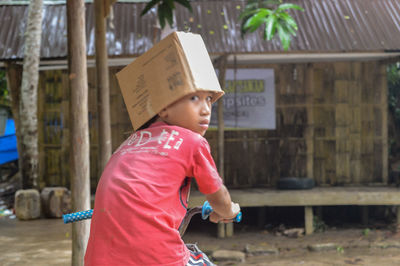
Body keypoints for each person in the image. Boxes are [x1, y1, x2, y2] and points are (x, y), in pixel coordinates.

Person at [84, 89, 241, 265]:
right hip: (156, 257)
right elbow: (218, 197)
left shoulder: (130, 142)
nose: (206, 109)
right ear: (163, 108)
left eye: (209, 99)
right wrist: (228, 210)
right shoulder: (192, 141)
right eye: (194, 98)